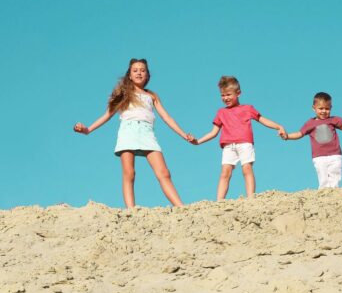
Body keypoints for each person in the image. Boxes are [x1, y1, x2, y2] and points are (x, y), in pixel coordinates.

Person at [73, 58, 195, 208]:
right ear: (129, 75)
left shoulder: (152, 96)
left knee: (164, 172)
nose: (139, 73)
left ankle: (181, 207)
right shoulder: (124, 93)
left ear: (148, 75)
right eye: (135, 70)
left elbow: (166, 117)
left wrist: (183, 135)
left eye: (143, 70)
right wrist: (88, 129)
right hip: (128, 131)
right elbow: (108, 114)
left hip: (147, 132)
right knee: (129, 173)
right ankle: (131, 210)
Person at [193, 75, 286, 199]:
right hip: (228, 146)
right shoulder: (221, 112)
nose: (225, 98)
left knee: (246, 169)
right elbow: (213, 132)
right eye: (222, 95)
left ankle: (250, 198)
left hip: (244, 143)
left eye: (229, 94)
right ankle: (219, 201)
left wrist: (278, 126)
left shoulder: (248, 108)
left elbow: (262, 120)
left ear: (238, 93)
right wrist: (198, 141)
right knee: (225, 172)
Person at [282, 92, 342, 189]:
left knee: (335, 175)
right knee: (323, 177)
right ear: (314, 108)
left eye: (327, 109)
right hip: (319, 156)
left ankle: (335, 192)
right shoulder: (310, 123)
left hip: (335, 155)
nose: (324, 111)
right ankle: (324, 193)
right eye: (321, 108)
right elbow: (299, 133)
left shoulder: (333, 120)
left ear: (331, 108)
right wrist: (287, 136)